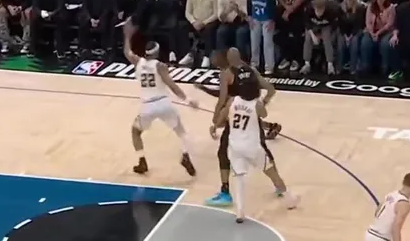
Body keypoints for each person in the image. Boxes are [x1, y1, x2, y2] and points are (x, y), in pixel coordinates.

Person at [208, 48, 297, 216]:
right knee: (264, 153)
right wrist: (260, 104)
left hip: (234, 118)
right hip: (252, 119)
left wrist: (215, 120)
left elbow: (222, 99)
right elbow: (271, 89)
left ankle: (226, 193)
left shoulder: (227, 74)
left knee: (223, 154)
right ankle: (280, 188)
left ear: (228, 59)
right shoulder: (252, 70)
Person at [122, 23, 196, 177]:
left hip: (147, 106)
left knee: (135, 132)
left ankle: (142, 161)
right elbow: (172, 86)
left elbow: (127, 51)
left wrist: (127, 35)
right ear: (157, 53)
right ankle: (185, 155)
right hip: (163, 103)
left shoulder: (138, 62)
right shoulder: (161, 66)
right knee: (181, 132)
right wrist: (188, 100)